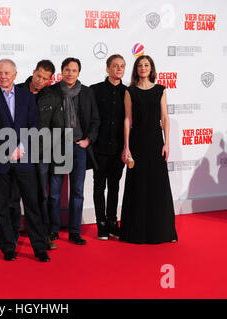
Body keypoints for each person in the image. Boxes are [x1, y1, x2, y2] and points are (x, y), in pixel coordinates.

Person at [0, 59, 50, 262]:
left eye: (7, 73)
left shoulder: (27, 97)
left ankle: (39, 248)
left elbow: (33, 125)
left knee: (32, 206)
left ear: (15, 74)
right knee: (4, 207)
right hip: (1, 162)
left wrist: (20, 148)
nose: (3, 76)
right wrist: (7, 150)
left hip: (24, 159)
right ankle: (8, 248)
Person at [120, 55, 178, 244]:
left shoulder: (160, 90)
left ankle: (162, 231)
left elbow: (165, 117)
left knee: (158, 186)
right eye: (140, 65)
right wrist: (126, 146)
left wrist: (167, 143)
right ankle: (135, 233)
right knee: (137, 186)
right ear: (136, 69)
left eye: (146, 65)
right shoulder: (130, 91)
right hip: (137, 142)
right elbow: (128, 119)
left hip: (155, 142)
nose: (143, 68)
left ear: (151, 68)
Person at [49, 57, 100, 245]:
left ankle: (74, 231)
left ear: (79, 73)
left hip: (79, 147)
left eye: (74, 70)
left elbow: (95, 120)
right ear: (62, 71)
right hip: (58, 147)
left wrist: (88, 140)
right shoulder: (53, 91)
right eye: (67, 70)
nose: (70, 73)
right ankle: (53, 230)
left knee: (77, 191)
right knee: (54, 192)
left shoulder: (87, 93)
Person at [17, 60, 63, 250]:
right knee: (14, 197)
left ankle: (43, 236)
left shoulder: (52, 97)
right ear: (33, 71)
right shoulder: (17, 91)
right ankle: (12, 236)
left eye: (45, 78)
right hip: (17, 153)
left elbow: (57, 127)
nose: (40, 81)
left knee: (40, 196)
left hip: (41, 155)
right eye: (38, 76)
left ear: (50, 79)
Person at [90, 54, 126, 240]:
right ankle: (101, 224)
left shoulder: (128, 92)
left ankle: (113, 221)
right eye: (115, 66)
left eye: (121, 66)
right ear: (107, 68)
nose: (118, 69)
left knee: (114, 186)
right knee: (98, 186)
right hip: (99, 148)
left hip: (119, 148)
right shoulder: (94, 90)